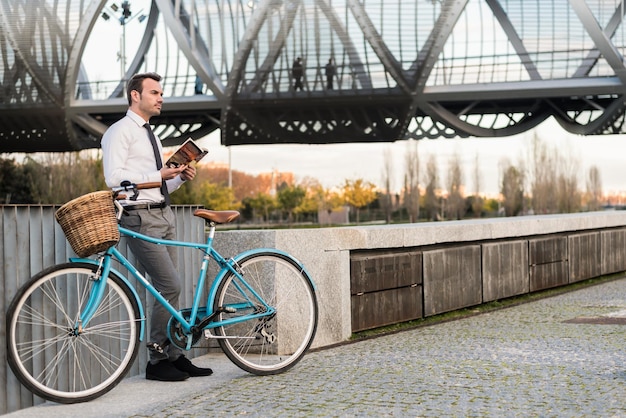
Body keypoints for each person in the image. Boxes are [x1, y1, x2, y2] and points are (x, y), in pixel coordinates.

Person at [101, 72, 213, 382]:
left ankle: (174, 356)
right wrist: (159, 174)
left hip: (163, 214)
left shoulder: (151, 133)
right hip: (138, 217)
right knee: (170, 286)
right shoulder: (119, 132)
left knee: (168, 291)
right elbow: (113, 179)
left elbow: (156, 184)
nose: (160, 97)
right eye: (154, 92)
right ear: (135, 96)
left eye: (160, 93)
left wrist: (177, 177)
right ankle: (156, 361)